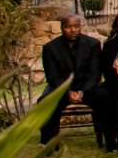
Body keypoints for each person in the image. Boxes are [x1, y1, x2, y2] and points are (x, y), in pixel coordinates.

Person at [38, 13, 99, 145]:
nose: (73, 30)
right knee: (46, 101)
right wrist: (68, 92)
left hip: (86, 87)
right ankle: (48, 142)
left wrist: (83, 91)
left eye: (76, 26)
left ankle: (110, 140)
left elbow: (94, 74)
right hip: (60, 88)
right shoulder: (50, 48)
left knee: (104, 96)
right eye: (68, 27)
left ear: (80, 26)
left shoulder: (93, 44)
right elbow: (52, 76)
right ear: (62, 28)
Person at [89, 10, 118, 151]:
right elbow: (106, 69)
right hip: (115, 83)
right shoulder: (112, 43)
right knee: (109, 97)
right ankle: (112, 138)